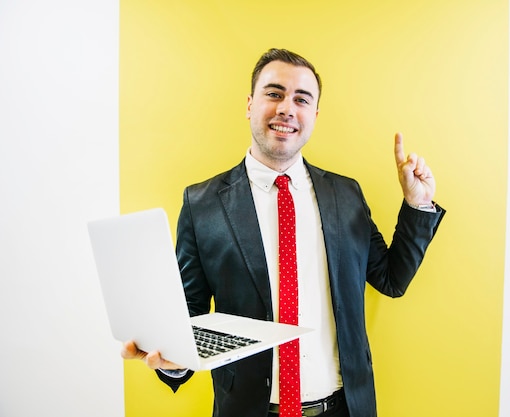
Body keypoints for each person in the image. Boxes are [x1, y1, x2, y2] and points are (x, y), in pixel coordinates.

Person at [122, 48, 445, 417]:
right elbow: (190, 317)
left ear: (315, 115)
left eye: (301, 99)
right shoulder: (202, 204)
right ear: (249, 104)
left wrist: (418, 206)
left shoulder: (346, 194)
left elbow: (391, 279)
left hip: (343, 409)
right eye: (274, 94)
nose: (287, 108)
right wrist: (172, 360)